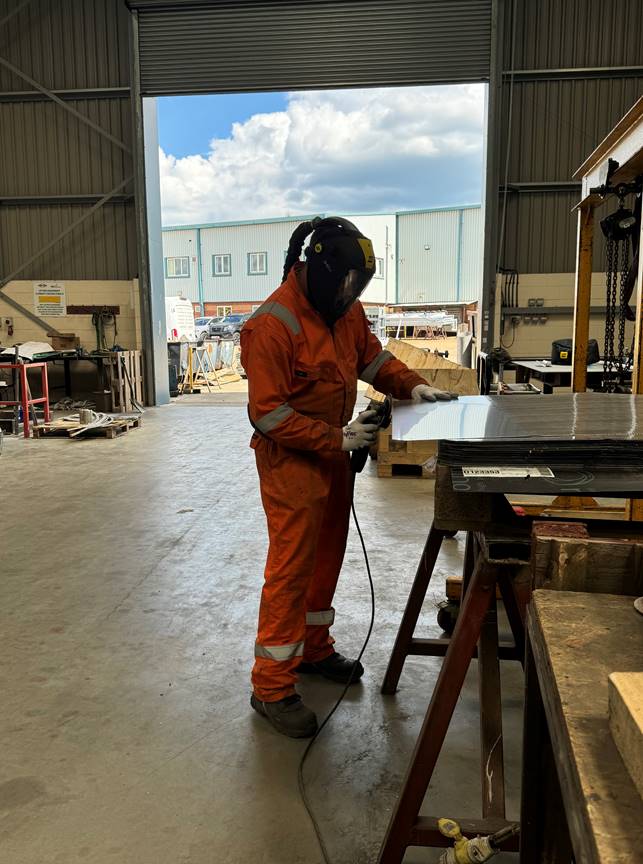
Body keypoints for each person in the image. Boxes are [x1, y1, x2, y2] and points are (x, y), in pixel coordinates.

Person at [241, 216, 455, 738]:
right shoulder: (271, 326)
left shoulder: (342, 307)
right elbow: (267, 415)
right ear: (314, 268)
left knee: (327, 555)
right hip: (292, 460)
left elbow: (372, 358)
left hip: (333, 453)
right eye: (346, 283)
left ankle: (314, 650)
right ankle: (270, 688)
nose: (351, 294)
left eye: (358, 286)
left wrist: (413, 386)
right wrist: (334, 438)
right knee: (291, 568)